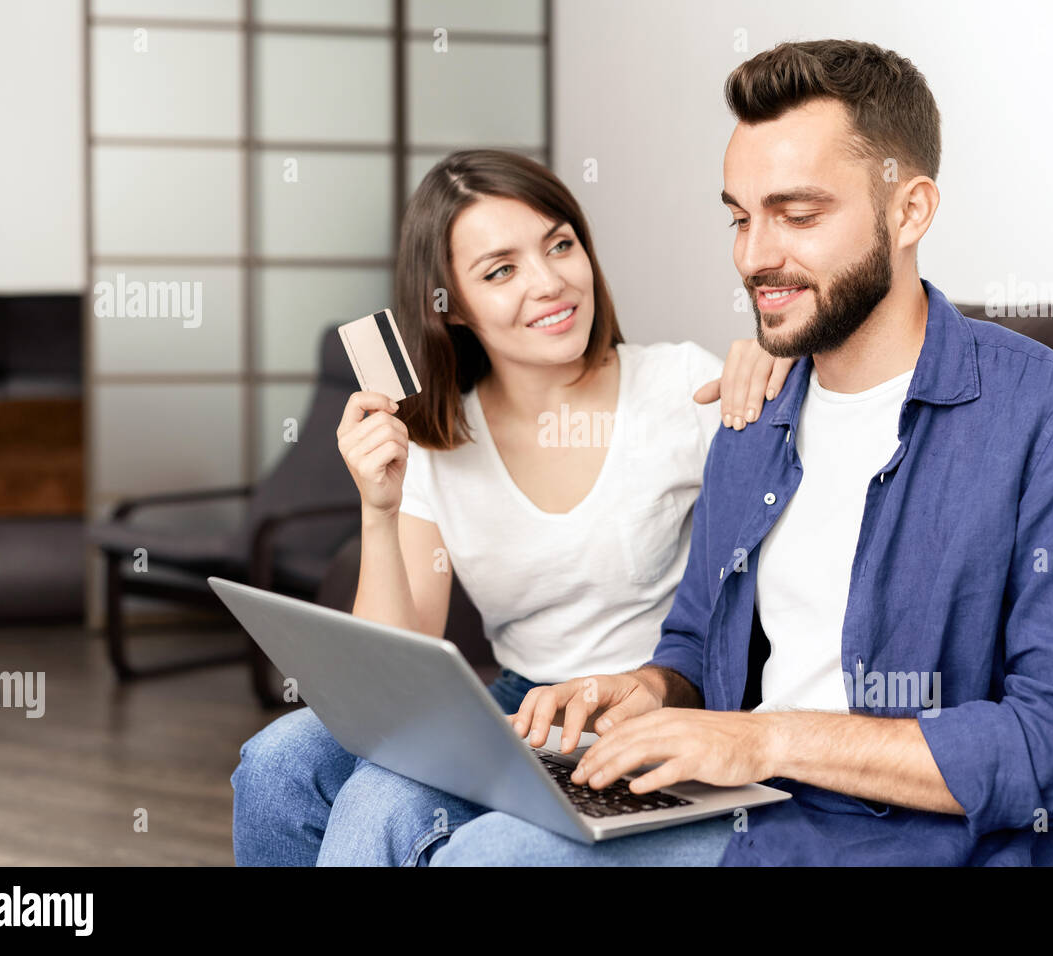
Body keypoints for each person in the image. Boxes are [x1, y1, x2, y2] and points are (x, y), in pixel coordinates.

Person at [433, 39, 1053, 867]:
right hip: (730, 810)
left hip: (896, 842)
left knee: (490, 857)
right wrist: (651, 691)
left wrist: (765, 742)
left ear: (910, 211)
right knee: (376, 804)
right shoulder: (755, 410)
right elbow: (698, 643)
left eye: (798, 216)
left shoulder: (1052, 421)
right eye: (740, 217)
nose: (753, 256)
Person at [230, 148, 794, 866]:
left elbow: (794, 498)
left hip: (657, 697)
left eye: (560, 245)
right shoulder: (438, 438)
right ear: (452, 306)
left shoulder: (683, 388)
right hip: (522, 707)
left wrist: (777, 362)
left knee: (382, 802)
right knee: (280, 762)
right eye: (501, 271)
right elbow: (391, 680)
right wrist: (378, 508)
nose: (550, 282)